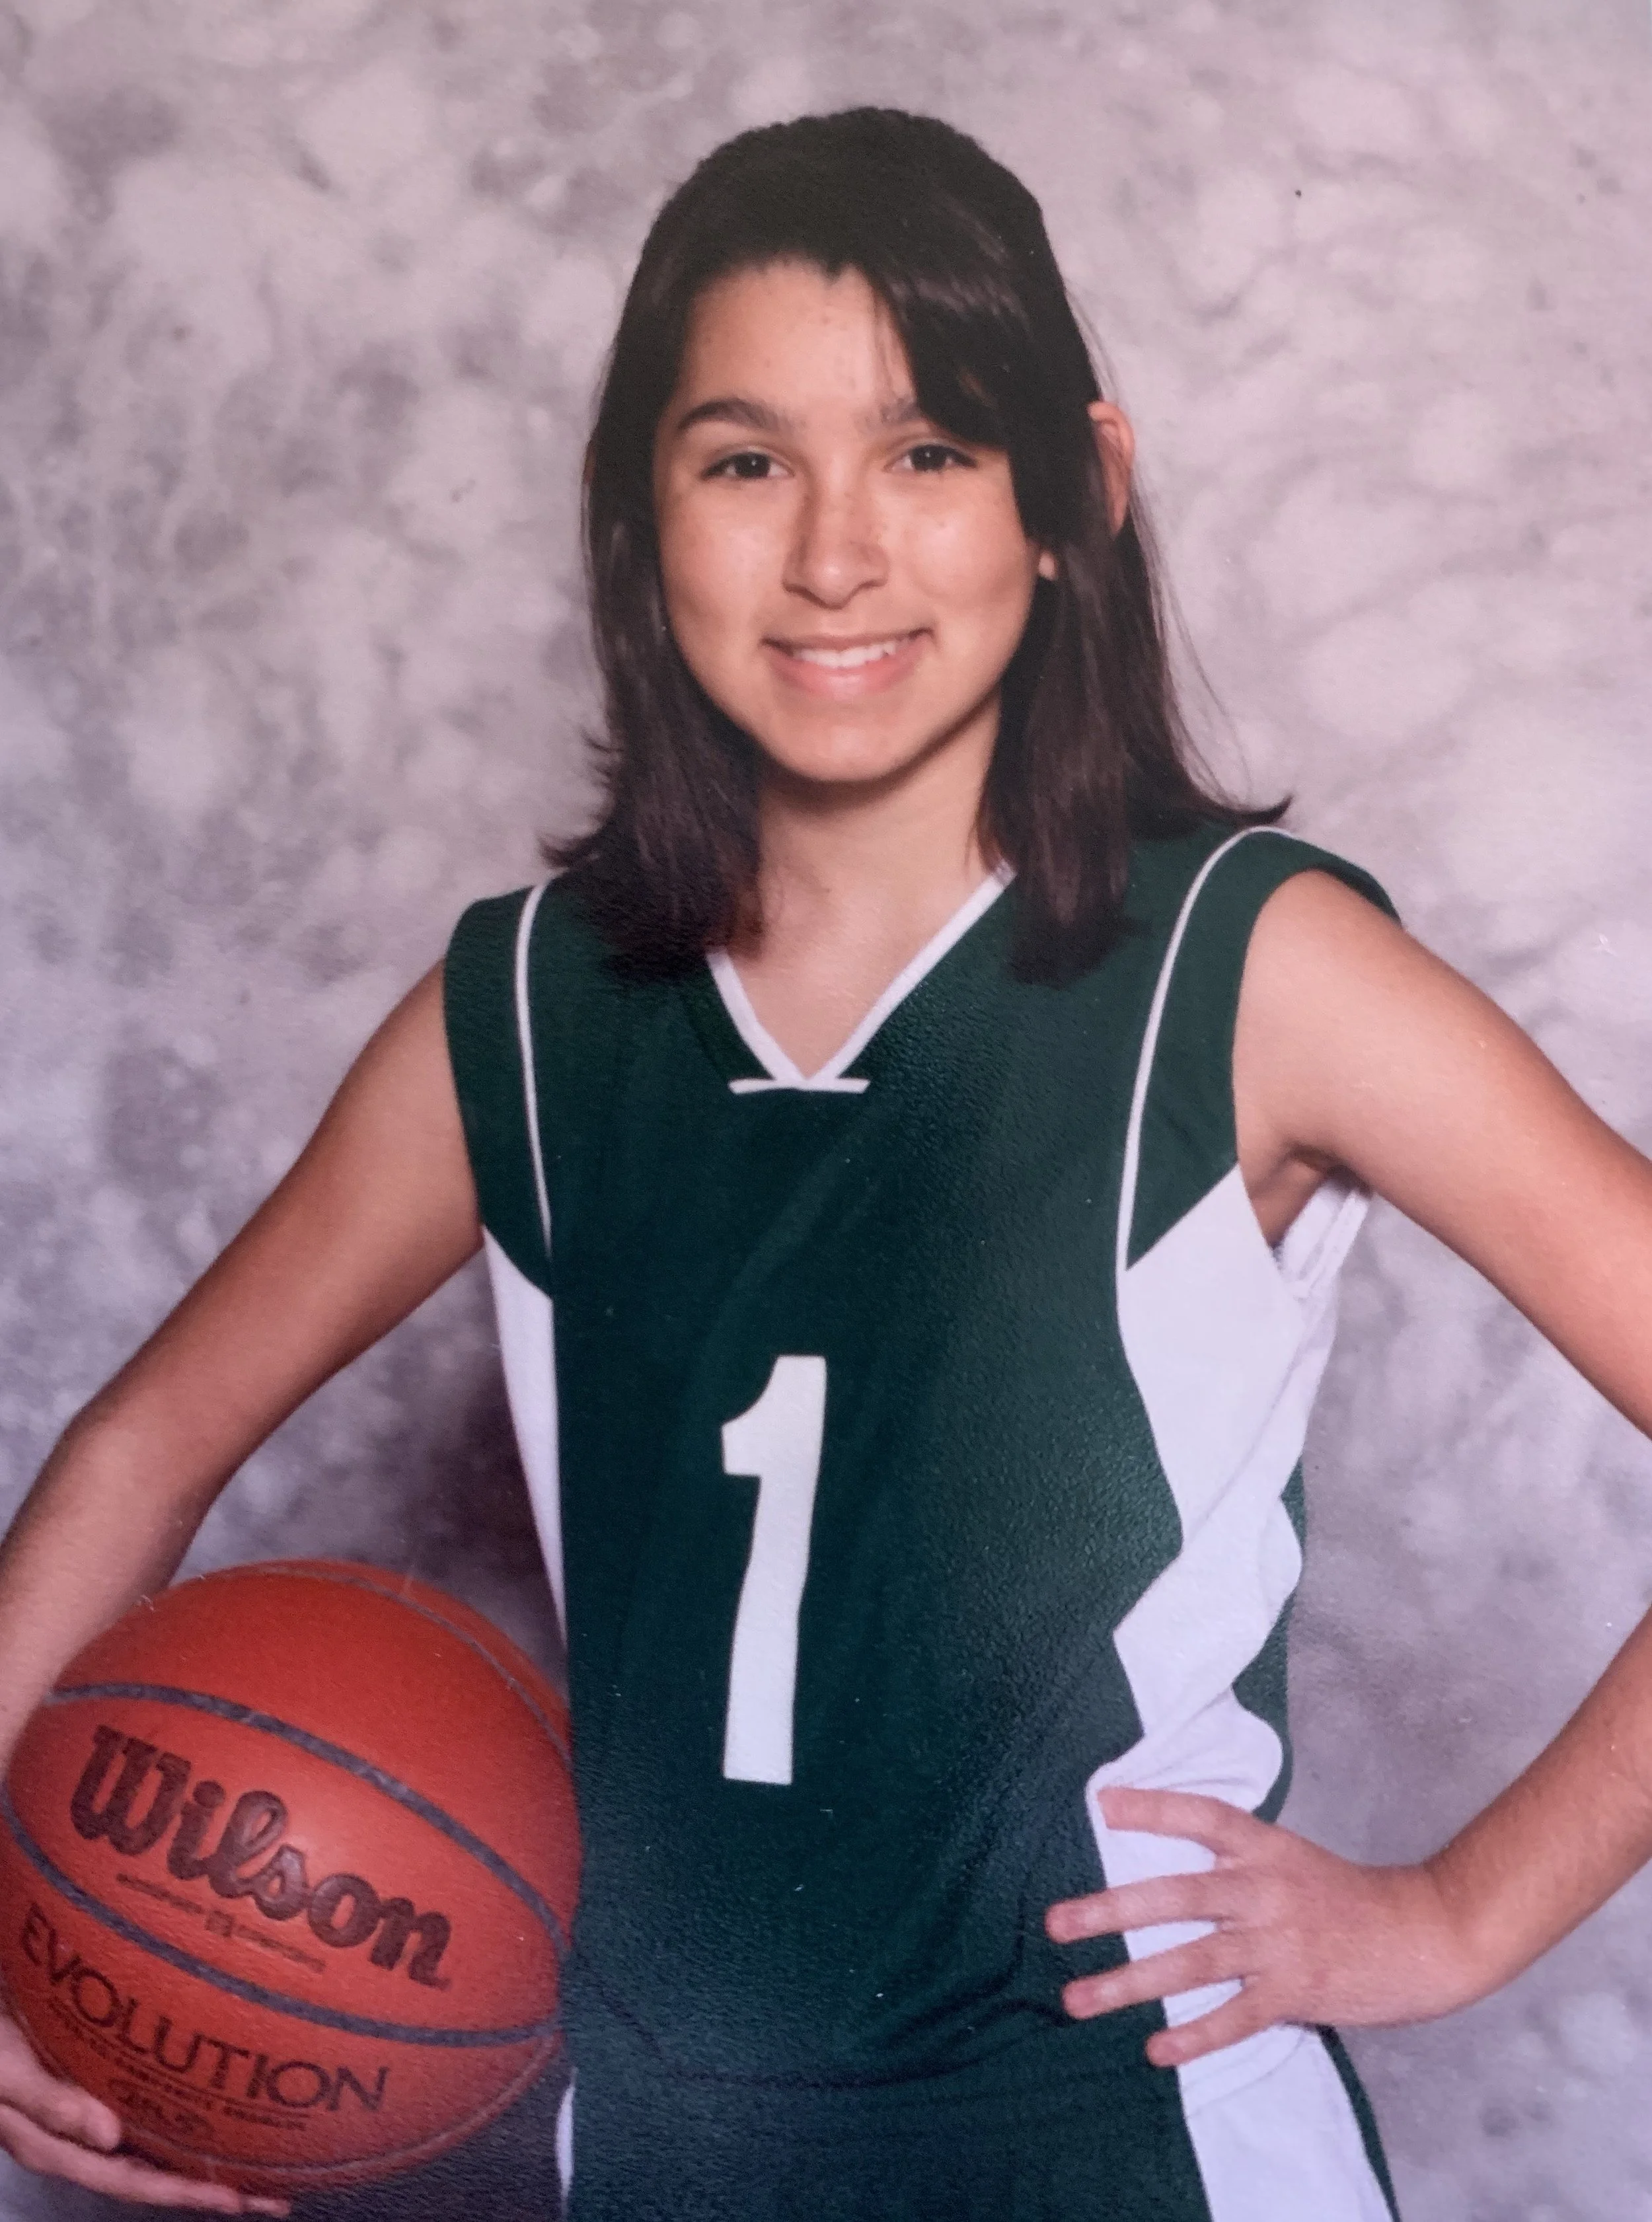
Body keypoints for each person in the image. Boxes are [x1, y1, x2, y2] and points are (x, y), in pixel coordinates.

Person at [3, 105, 1652, 2222]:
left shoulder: (1248, 975)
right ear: (636, 518)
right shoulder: (518, 1015)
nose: (836, 554)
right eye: (744, 459)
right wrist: (47, 1936)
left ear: (1079, 495)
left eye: (931, 451)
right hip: (665, 2158)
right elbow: (141, 1449)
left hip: (1122, 2153)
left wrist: (1454, 1916)